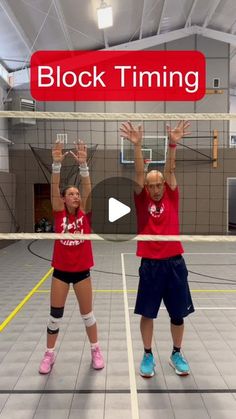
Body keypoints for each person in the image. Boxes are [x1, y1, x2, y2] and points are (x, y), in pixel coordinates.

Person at [120, 120, 194, 378]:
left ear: (164, 184)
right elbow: (140, 174)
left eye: (158, 184)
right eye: (151, 185)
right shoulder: (142, 200)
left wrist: (173, 144)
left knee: (178, 315)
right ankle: (148, 354)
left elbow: (171, 170)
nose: (154, 188)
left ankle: (176, 353)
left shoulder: (172, 195)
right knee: (147, 313)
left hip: (174, 263)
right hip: (150, 264)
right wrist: (138, 146)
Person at [39, 139, 104, 374]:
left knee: (88, 315)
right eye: (71, 194)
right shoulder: (58, 212)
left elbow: (88, 189)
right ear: (64, 198)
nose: (76, 196)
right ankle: (49, 355)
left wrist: (83, 165)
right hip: (61, 272)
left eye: (77, 193)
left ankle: (96, 350)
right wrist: (56, 165)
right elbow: (54, 189)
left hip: (82, 272)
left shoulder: (84, 213)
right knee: (55, 317)